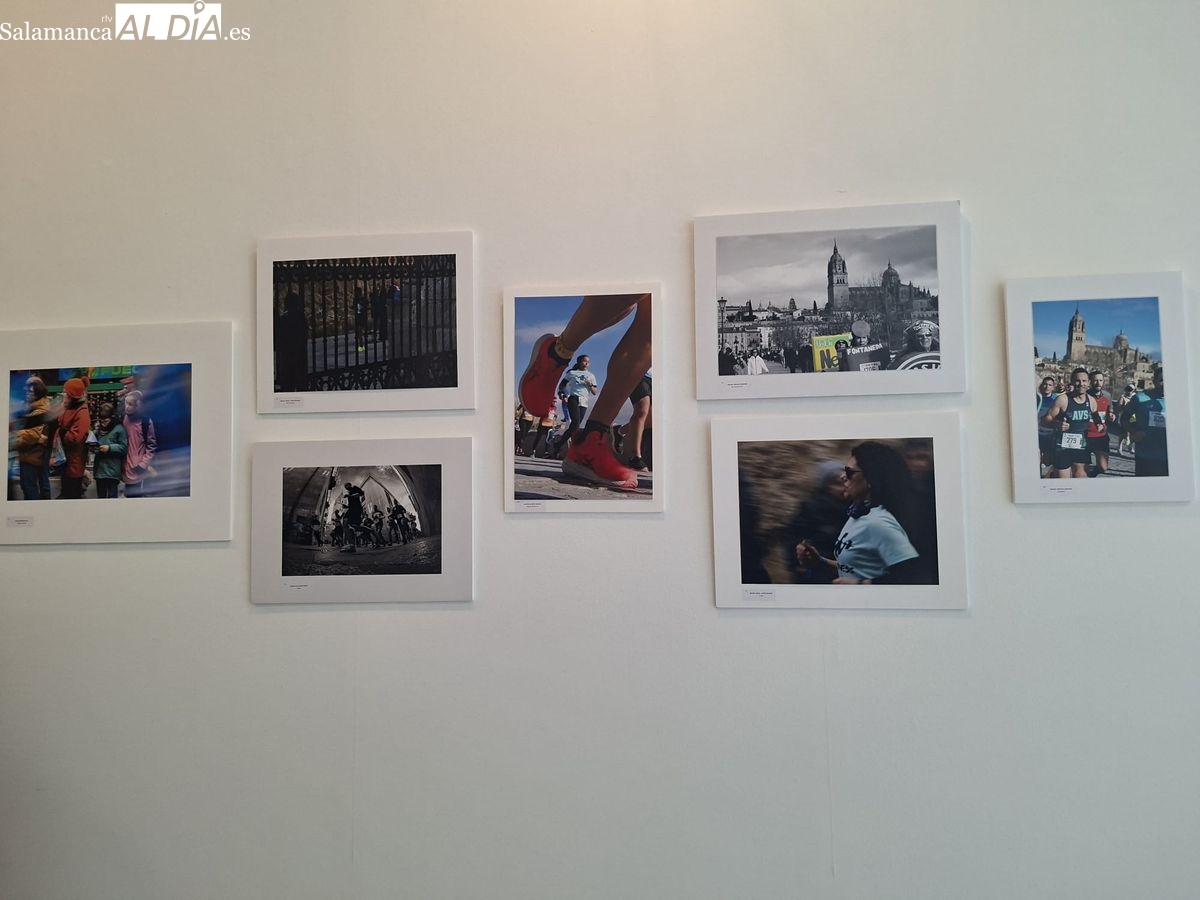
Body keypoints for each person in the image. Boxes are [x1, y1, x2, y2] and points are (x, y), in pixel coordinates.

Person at [518, 293, 651, 490]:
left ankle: (592, 438)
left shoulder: (590, 375)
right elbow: (565, 384)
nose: (587, 364)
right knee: (634, 289)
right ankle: (558, 352)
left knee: (654, 319)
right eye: (585, 361)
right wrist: (562, 394)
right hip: (573, 398)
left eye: (588, 362)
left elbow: (594, 390)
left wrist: (591, 387)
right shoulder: (573, 373)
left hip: (584, 400)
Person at [794, 442, 928, 584]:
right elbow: (859, 568)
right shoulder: (858, 515)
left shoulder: (879, 522)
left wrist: (861, 584)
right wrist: (820, 562)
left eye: (849, 472)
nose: (842, 477)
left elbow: (912, 576)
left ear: (871, 478)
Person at [1041, 367, 1097, 479]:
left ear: (1089, 383)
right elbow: (1044, 421)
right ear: (1072, 382)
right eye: (1077, 381)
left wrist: (1101, 425)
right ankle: (1053, 475)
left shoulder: (1091, 401)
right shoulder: (1063, 400)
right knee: (1063, 483)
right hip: (1062, 447)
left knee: (1081, 479)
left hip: (1081, 446)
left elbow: (1097, 417)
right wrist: (1057, 424)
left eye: (1084, 381)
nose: (1081, 384)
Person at [10, 375, 54, 500]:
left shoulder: (40, 409)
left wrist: (15, 436)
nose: (26, 391)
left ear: (37, 393)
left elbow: (32, 435)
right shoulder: (30, 406)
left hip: (32, 454)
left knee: (30, 486)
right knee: (32, 484)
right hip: (30, 453)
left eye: (30, 390)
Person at [1121, 363, 1168, 476]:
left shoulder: (1179, 401)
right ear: (1154, 381)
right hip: (1145, 455)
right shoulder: (1140, 397)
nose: (1165, 384)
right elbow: (1124, 418)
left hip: (1169, 457)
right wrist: (1134, 431)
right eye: (1161, 380)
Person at [55, 376, 91, 499]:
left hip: (74, 460)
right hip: (65, 458)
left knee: (73, 493)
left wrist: (61, 433)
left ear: (71, 396)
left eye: (65, 392)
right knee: (66, 490)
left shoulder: (82, 412)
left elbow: (75, 437)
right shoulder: (68, 407)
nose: (63, 394)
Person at [612, 370, 652, 471]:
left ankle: (619, 430)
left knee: (651, 419)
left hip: (657, 377)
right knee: (642, 410)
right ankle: (635, 457)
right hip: (639, 374)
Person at [121, 390, 157, 498]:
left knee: (136, 496)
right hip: (125, 467)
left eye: (130, 404)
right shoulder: (124, 418)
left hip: (138, 469)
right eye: (126, 403)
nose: (127, 407)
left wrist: (143, 464)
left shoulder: (146, 422)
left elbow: (151, 446)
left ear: (138, 406)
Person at [91, 402, 127, 499]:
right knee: (101, 498)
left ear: (112, 418)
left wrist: (109, 448)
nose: (103, 423)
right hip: (99, 470)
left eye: (106, 421)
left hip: (112, 471)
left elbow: (124, 447)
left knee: (112, 498)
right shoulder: (98, 430)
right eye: (101, 421)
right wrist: (93, 447)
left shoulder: (119, 429)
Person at [1086, 370, 1114, 476]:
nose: (1098, 383)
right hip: (1085, 435)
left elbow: (1109, 411)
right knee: (1082, 468)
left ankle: (1090, 476)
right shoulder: (1084, 395)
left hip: (1101, 435)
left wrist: (1111, 415)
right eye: (1095, 380)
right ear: (1090, 381)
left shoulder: (1107, 395)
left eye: (1101, 380)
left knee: (1103, 468)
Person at [1035, 375, 1059, 476]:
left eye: (1050, 385)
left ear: (1053, 387)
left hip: (1050, 434)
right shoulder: (1036, 398)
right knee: (1037, 459)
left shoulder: (1056, 400)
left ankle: (1049, 475)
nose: (1047, 387)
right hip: (1037, 434)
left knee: (1048, 460)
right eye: (1045, 384)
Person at [339, 482, 366, 551]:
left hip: (356, 509)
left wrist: (349, 496)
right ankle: (352, 544)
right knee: (351, 525)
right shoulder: (349, 493)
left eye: (346, 485)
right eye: (345, 486)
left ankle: (351, 545)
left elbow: (361, 493)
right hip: (351, 509)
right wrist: (345, 505)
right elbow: (351, 503)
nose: (346, 487)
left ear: (350, 485)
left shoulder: (355, 488)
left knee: (346, 523)